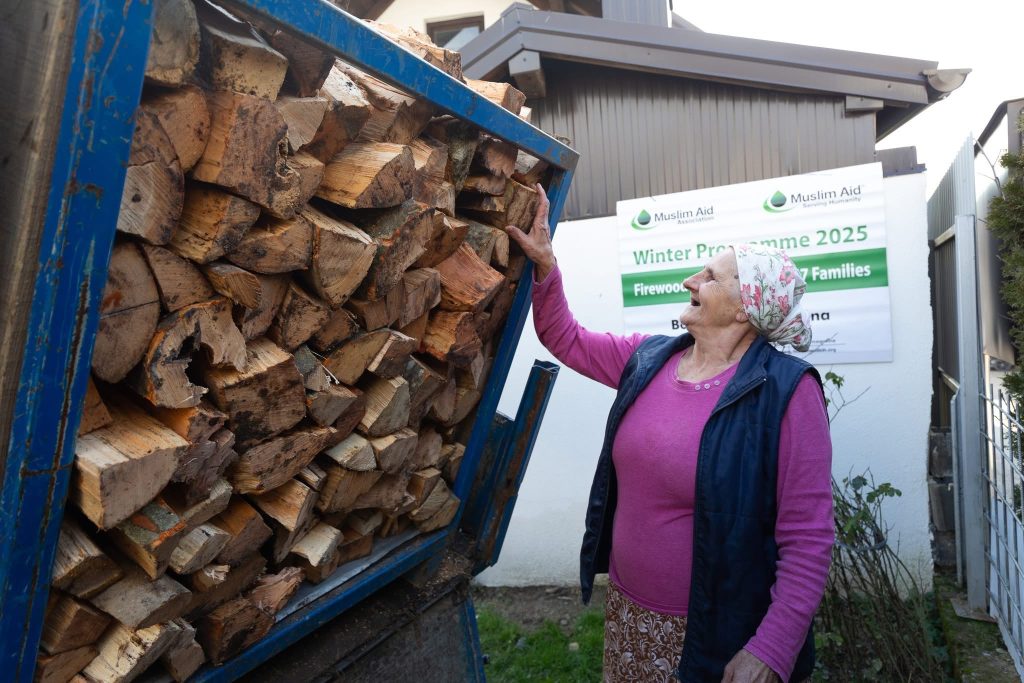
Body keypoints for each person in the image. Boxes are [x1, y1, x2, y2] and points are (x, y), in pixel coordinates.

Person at [506, 185, 834, 683]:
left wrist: (772, 650)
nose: (690, 280)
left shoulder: (787, 391)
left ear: (745, 308)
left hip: (714, 633)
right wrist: (546, 266)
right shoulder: (649, 358)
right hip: (629, 614)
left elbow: (808, 536)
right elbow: (566, 338)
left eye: (710, 277)